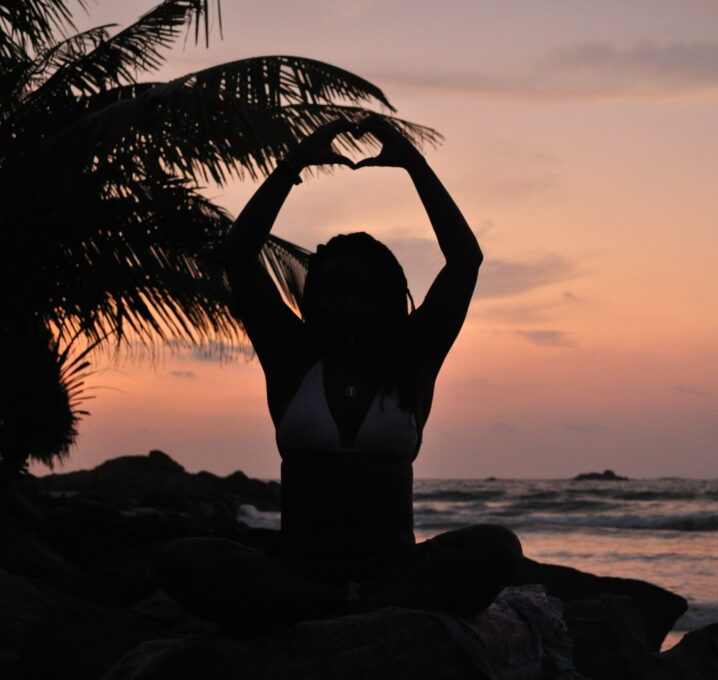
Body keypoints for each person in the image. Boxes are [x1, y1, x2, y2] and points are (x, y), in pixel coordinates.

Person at [157, 116, 522, 627]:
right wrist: (292, 165)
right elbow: (239, 254)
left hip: (394, 570)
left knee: (496, 547)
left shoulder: (413, 360)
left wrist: (413, 163)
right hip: (299, 571)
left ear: (386, 301)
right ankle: (350, 607)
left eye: (363, 293)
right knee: (183, 558)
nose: (349, 306)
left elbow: (464, 260)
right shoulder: (292, 358)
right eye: (334, 293)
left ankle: (348, 606)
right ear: (316, 300)